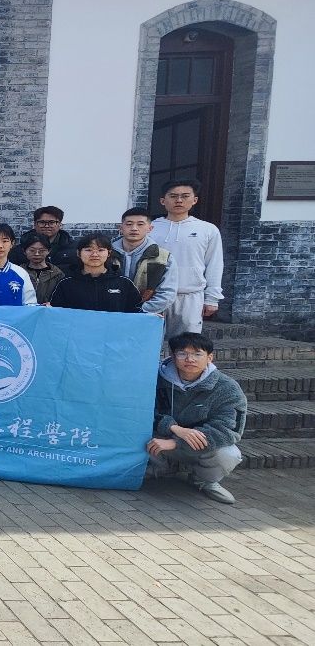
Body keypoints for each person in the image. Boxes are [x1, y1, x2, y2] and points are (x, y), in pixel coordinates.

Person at [147, 332, 247, 504]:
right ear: (172, 356)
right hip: (160, 439)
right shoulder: (155, 379)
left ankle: (204, 480)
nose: (190, 359)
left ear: (209, 358)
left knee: (228, 454)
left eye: (197, 354)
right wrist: (174, 428)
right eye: (182, 353)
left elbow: (228, 430)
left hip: (198, 446)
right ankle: (160, 468)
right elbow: (142, 411)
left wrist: (177, 442)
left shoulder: (227, 388)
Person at [151, 180, 224, 337]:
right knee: (151, 342)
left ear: (194, 200)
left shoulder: (207, 230)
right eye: (173, 196)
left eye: (185, 196)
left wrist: (212, 298)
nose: (179, 200)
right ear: (163, 200)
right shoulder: (150, 228)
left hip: (190, 295)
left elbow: (214, 264)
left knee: (186, 344)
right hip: (155, 295)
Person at [49, 235, 142, 313]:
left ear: (109, 253)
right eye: (88, 250)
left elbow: (137, 312)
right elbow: (56, 313)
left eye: (100, 250)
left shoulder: (124, 283)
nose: (94, 254)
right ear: (78, 253)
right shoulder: (66, 284)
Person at [113, 207, 178, 316]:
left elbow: (167, 293)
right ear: (120, 228)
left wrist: (141, 310)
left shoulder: (163, 257)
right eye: (129, 224)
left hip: (145, 316)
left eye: (140, 224)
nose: (134, 228)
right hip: (109, 313)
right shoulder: (105, 253)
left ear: (150, 228)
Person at [21, 236, 65, 305]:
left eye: (42, 251)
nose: (37, 254)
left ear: (48, 251)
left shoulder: (57, 274)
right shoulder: (18, 272)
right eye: (32, 250)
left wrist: (52, 304)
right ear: (24, 251)